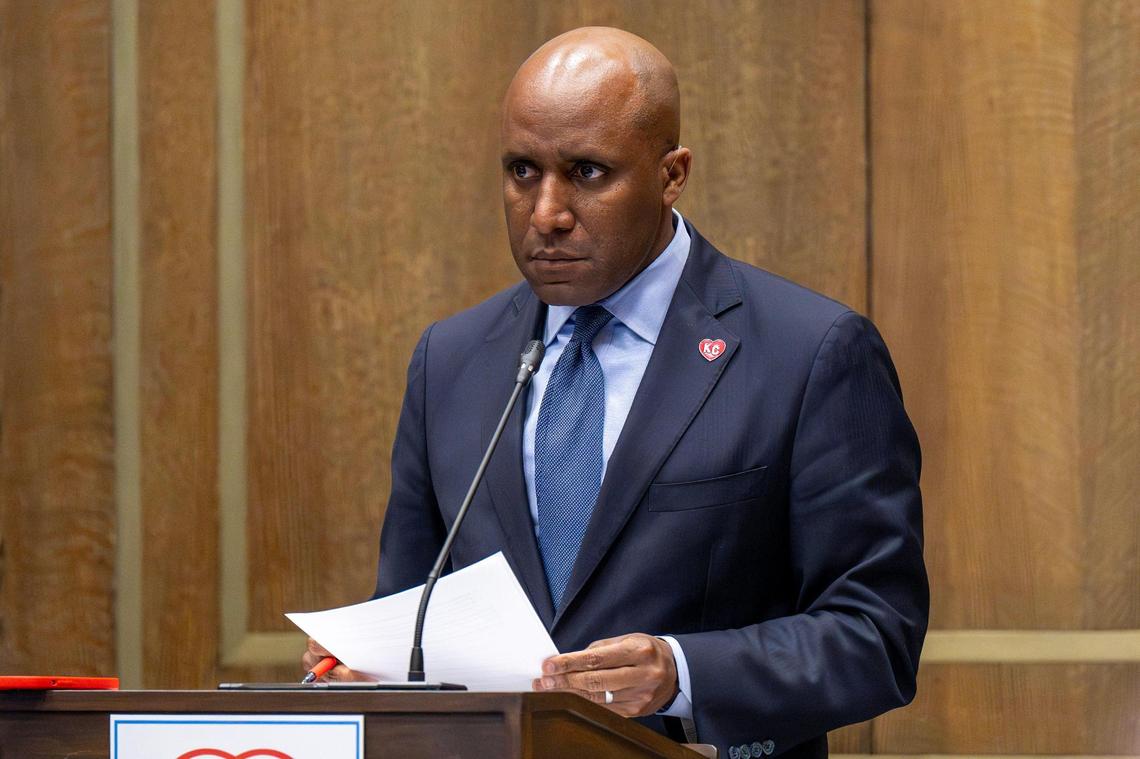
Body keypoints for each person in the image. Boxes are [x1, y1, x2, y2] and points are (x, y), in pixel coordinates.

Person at [303, 26, 928, 758]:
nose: (546, 213)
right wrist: (361, 669)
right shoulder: (453, 360)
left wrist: (682, 672)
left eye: (588, 173)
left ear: (672, 174)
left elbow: (876, 633)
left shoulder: (809, 353)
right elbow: (409, 611)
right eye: (521, 171)